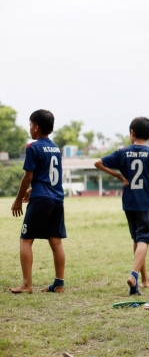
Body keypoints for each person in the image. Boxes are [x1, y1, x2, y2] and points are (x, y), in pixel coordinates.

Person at [94, 117, 149, 296]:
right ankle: (134, 275)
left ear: (131, 133)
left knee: (138, 240)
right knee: (144, 240)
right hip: (145, 203)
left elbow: (98, 163)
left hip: (129, 203)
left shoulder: (122, 153)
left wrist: (118, 176)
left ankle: (144, 279)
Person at [10, 110, 67, 294]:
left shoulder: (32, 147)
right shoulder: (56, 148)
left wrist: (18, 199)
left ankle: (27, 284)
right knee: (56, 241)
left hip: (41, 199)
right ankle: (59, 283)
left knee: (26, 239)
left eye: (29, 125)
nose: (29, 128)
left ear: (36, 127)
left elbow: (28, 175)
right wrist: (32, 189)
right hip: (57, 198)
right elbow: (50, 177)